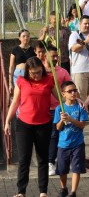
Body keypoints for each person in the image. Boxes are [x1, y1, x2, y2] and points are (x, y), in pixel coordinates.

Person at [4, 57, 60, 197]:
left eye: (39, 72)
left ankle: (43, 192)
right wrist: (7, 121)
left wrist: (75, 99)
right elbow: (15, 102)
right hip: (24, 125)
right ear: (27, 72)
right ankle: (21, 191)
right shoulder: (21, 81)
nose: (36, 75)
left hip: (44, 125)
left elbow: (61, 98)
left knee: (43, 159)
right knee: (24, 159)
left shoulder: (49, 80)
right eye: (33, 73)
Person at [34, 42, 72, 177]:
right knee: (47, 137)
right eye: (53, 56)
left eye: (56, 56)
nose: (55, 58)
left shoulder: (62, 72)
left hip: (58, 109)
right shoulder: (40, 72)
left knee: (56, 135)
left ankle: (52, 161)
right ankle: (47, 160)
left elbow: (70, 86)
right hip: (43, 109)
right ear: (45, 57)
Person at [54, 81, 89, 197]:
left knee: (76, 169)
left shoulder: (80, 107)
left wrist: (70, 120)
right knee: (62, 170)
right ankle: (63, 187)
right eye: (70, 91)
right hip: (63, 144)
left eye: (75, 90)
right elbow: (58, 128)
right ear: (63, 94)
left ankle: (73, 192)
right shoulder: (59, 108)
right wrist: (61, 120)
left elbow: (82, 125)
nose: (73, 93)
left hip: (77, 143)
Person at [68, 15, 89, 121]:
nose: (87, 25)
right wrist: (85, 42)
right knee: (80, 94)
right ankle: (81, 113)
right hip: (79, 69)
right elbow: (73, 48)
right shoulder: (74, 35)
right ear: (80, 24)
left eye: (88, 23)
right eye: (84, 23)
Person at [9, 29, 36, 94]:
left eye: (27, 36)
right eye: (23, 36)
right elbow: (11, 66)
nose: (26, 38)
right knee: (18, 93)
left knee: (29, 92)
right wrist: (10, 83)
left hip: (30, 73)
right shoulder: (15, 49)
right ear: (19, 38)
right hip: (18, 74)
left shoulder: (33, 50)